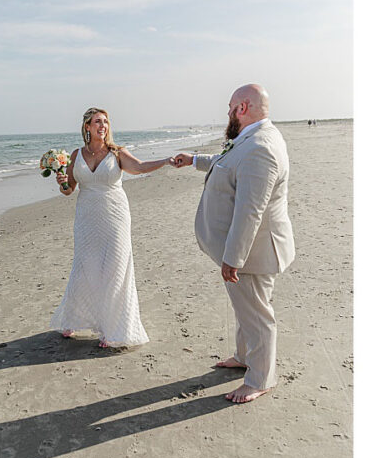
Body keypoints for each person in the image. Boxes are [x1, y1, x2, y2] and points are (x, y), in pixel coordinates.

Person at [172, 84, 294, 403]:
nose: (227, 113)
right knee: (246, 309)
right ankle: (243, 357)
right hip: (245, 252)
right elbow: (227, 160)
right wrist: (195, 160)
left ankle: (259, 379)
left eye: (229, 107)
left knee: (256, 315)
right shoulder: (252, 137)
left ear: (242, 108)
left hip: (252, 253)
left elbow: (249, 210)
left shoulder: (261, 147)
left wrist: (233, 258)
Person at [51, 108, 171, 348]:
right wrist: (62, 182)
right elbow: (68, 190)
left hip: (115, 216)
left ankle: (111, 327)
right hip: (86, 216)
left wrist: (166, 161)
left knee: (114, 267)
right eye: (97, 122)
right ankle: (75, 317)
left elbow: (139, 167)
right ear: (87, 127)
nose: (102, 126)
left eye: (105, 122)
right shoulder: (76, 155)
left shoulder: (116, 152)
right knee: (85, 264)